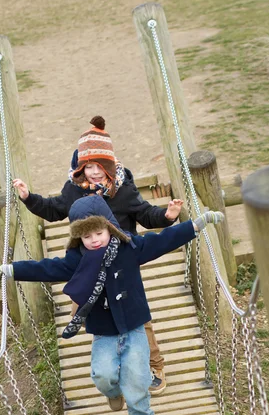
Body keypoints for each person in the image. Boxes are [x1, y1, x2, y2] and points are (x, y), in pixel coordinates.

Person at [0, 195, 224, 415]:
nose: (94, 240)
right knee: (103, 375)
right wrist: (13, 269)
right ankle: (114, 392)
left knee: (137, 375)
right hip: (103, 330)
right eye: (86, 236)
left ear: (110, 227)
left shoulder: (130, 248)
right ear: (78, 238)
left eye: (98, 233)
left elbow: (163, 240)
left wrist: (197, 224)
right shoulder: (77, 260)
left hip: (134, 325)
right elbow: (46, 267)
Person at [12, 115, 184, 395]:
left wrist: (167, 215)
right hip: (87, 261)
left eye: (98, 166)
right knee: (91, 309)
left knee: (137, 316)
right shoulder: (73, 190)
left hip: (122, 261)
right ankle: (109, 362)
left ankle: (154, 364)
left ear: (108, 166)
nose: (93, 172)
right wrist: (28, 197)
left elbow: (146, 215)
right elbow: (54, 210)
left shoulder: (123, 190)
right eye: (87, 167)